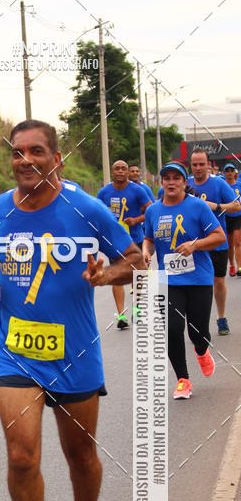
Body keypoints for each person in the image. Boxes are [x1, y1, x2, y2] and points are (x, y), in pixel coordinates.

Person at [0, 120, 144, 501]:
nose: (24, 161)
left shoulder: (86, 209)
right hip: (15, 350)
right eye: (16, 152)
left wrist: (104, 272)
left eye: (35, 151)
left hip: (75, 354)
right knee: (22, 456)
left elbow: (135, 259)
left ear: (57, 158)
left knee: (80, 457)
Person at [143, 162, 225, 400]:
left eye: (175, 178)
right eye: (166, 178)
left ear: (184, 182)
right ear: (161, 182)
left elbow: (218, 236)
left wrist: (195, 244)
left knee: (197, 333)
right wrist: (147, 251)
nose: (170, 182)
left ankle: (201, 351)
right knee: (171, 329)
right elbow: (148, 238)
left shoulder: (197, 206)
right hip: (167, 280)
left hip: (198, 278)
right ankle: (183, 380)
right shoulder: (153, 211)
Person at [187, 148, 240, 334]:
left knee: (218, 281)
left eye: (202, 164)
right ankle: (198, 323)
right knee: (197, 284)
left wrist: (216, 206)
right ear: (190, 166)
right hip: (193, 244)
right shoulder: (185, 183)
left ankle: (221, 317)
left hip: (217, 241)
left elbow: (236, 206)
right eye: (195, 165)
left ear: (208, 165)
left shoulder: (218, 184)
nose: (199, 168)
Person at [97, 160, 151, 328]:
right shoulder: (104, 192)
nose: (120, 171)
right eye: (117, 169)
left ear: (128, 172)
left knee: (138, 275)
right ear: (112, 172)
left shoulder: (137, 190)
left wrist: (136, 220)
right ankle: (121, 315)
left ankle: (137, 310)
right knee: (117, 276)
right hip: (115, 241)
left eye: (123, 169)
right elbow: (96, 213)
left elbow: (150, 211)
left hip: (135, 238)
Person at [221, 163, 241, 276]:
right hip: (226, 217)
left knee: (238, 242)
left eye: (231, 170)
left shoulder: (239, 185)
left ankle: (239, 266)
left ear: (234, 173)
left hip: (238, 216)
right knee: (229, 244)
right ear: (224, 173)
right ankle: (232, 265)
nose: (229, 173)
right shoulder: (222, 186)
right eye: (227, 171)